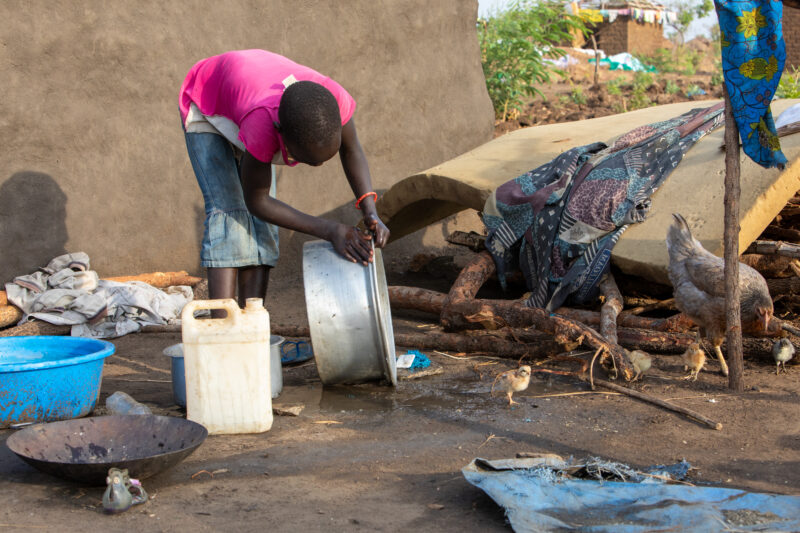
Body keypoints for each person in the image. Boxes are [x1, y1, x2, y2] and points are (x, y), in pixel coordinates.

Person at [179, 49, 390, 307]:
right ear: (281, 136)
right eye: (307, 159)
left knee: (263, 227)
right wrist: (330, 229)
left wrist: (371, 211)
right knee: (230, 213)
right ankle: (223, 331)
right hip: (206, 103)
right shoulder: (262, 123)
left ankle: (253, 322)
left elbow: (352, 149)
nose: (319, 165)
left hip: (244, 93)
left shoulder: (335, 101)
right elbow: (257, 201)